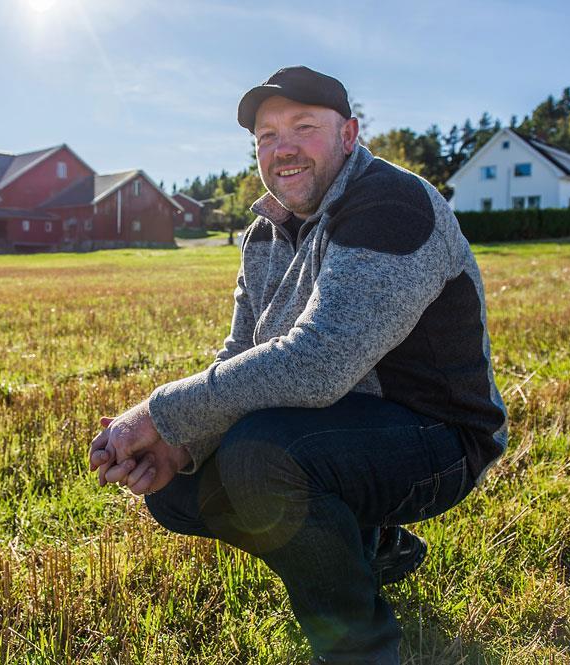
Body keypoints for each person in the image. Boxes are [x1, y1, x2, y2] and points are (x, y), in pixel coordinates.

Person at [88, 66, 507, 664]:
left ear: (348, 134)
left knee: (259, 456)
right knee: (173, 484)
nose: (282, 148)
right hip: (339, 428)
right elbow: (240, 354)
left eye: (303, 126)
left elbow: (320, 362)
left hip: (438, 438)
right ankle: (372, 546)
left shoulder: (390, 203)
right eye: (265, 136)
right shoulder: (264, 232)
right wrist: (178, 440)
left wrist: (161, 410)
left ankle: (358, 650)